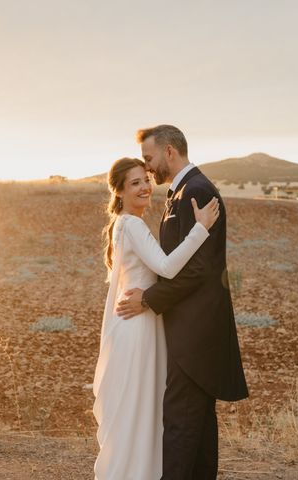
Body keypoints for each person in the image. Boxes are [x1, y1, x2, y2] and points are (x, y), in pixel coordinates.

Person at [117, 125, 248, 479]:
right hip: (188, 330)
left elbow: (198, 272)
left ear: (169, 152)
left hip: (194, 334)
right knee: (198, 430)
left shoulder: (198, 190)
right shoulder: (181, 193)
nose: (148, 168)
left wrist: (149, 299)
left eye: (149, 158)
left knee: (179, 427)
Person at [93, 157, 220, 480]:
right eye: (135, 183)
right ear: (119, 191)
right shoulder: (132, 224)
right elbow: (165, 268)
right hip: (138, 327)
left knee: (138, 409)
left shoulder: (123, 223)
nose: (145, 187)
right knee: (139, 408)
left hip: (138, 322)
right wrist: (200, 229)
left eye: (146, 179)